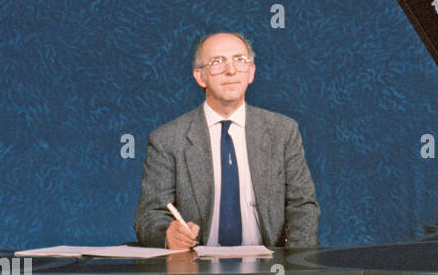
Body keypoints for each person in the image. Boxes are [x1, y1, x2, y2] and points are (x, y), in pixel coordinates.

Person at [134, 31, 320, 251]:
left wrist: (295, 265)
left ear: (251, 73)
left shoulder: (283, 131)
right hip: (197, 274)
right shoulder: (167, 139)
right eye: (217, 62)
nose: (231, 70)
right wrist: (167, 234)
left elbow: (303, 206)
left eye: (240, 60)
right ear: (200, 77)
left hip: (269, 271)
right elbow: (149, 215)